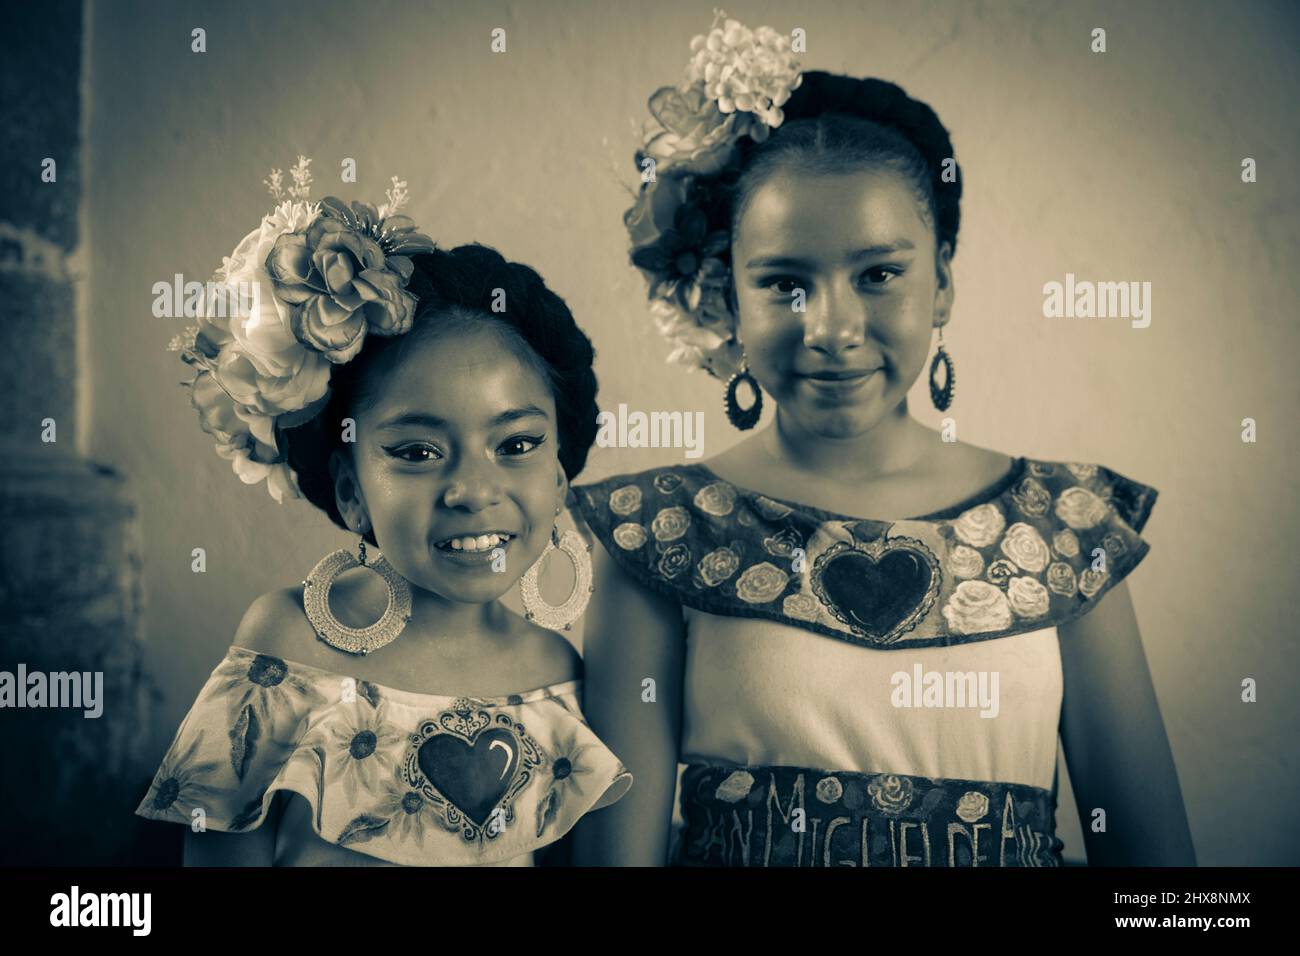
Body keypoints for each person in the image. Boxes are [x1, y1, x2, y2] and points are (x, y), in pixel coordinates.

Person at [569, 13, 1194, 867]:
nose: (832, 327)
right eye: (786, 282)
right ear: (728, 299)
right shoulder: (658, 535)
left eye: (879, 274)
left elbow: (1167, 887)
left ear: (941, 284)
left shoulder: (1068, 529)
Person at [136, 168, 630, 865]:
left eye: (515, 445)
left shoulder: (557, 674)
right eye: (418, 451)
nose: (472, 489)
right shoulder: (285, 643)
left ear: (557, 475)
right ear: (350, 488)